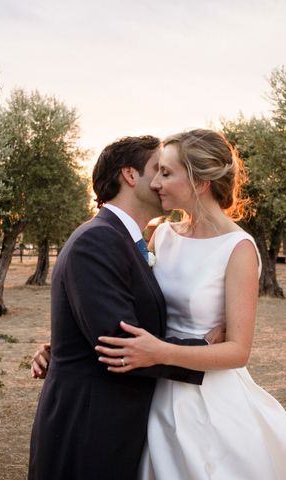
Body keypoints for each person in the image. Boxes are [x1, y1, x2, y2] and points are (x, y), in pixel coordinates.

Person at [94, 129, 286, 479]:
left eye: (167, 173)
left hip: (208, 399)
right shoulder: (163, 235)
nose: (155, 182)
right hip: (153, 389)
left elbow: (237, 351)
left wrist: (160, 352)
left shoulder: (238, 249)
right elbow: (131, 304)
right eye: (156, 171)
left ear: (200, 182)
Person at [27, 135, 223, 480]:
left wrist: (60, 346)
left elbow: (114, 318)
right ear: (130, 176)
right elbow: (119, 345)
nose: (163, 182)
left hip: (115, 423)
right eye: (157, 171)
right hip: (89, 429)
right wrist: (203, 350)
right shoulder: (98, 240)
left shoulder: (127, 239)